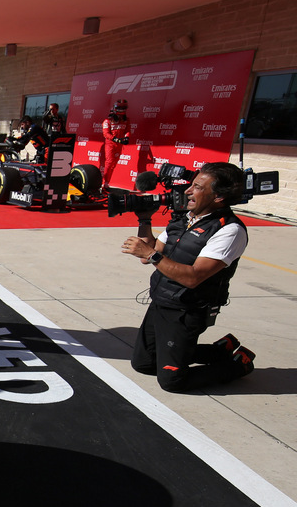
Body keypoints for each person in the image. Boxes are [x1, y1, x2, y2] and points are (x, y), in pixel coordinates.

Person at [121, 162, 254, 392]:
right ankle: (218, 351)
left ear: (219, 196)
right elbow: (149, 254)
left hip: (188, 309)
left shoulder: (230, 231)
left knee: (172, 381)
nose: (188, 191)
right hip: (162, 300)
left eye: (198, 187)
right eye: (191, 185)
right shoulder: (183, 219)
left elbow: (193, 277)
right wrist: (144, 220)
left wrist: (151, 255)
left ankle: (237, 364)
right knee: (143, 364)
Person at [100, 99, 130, 191]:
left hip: (119, 145)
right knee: (109, 162)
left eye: (123, 108)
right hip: (110, 144)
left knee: (114, 164)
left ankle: (107, 182)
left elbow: (127, 130)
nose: (121, 110)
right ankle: (103, 183)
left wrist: (127, 137)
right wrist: (116, 139)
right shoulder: (108, 120)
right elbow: (106, 133)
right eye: (120, 108)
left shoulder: (126, 120)